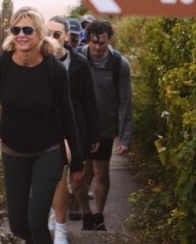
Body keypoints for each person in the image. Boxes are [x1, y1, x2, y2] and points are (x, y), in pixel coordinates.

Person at [0, 6, 84, 244]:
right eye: (16, 29)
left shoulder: (54, 69)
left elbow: (68, 115)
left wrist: (77, 161)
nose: (21, 34)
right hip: (13, 151)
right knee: (18, 225)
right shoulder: (0, 68)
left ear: (40, 34)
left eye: (28, 29)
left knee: (36, 221)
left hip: (47, 151)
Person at [73, 19, 132, 232]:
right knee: (80, 173)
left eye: (103, 43)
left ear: (109, 40)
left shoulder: (119, 64)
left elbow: (125, 102)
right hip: (80, 126)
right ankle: (85, 214)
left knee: (101, 173)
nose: (98, 47)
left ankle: (98, 215)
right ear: (88, 39)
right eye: (94, 42)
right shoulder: (78, 58)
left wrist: (124, 138)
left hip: (105, 126)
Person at [46, 16, 101, 244]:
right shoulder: (38, 61)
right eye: (47, 33)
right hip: (47, 124)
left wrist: (94, 133)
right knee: (54, 172)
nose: (51, 39)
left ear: (67, 37)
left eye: (56, 34)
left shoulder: (79, 63)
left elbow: (90, 100)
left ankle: (59, 221)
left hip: (75, 123)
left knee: (69, 173)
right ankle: (58, 218)